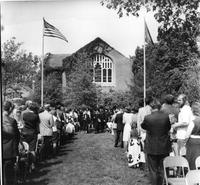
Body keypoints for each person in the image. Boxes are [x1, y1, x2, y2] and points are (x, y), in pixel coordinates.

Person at [141, 99, 171, 185]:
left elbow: (143, 126)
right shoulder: (165, 117)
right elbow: (168, 128)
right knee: (162, 168)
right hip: (163, 146)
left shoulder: (147, 117)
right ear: (160, 107)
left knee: (153, 169)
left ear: (151, 107)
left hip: (151, 146)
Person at [3, 100, 20, 185]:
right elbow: (17, 137)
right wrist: (17, 152)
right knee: (8, 175)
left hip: (5, 150)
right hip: (9, 151)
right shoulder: (12, 121)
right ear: (10, 109)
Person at [21, 102, 40, 170]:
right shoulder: (36, 116)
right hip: (33, 133)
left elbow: (23, 123)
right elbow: (37, 125)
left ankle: (24, 164)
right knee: (32, 150)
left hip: (24, 132)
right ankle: (32, 164)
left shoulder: (24, 114)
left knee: (25, 148)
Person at [185, 102, 200, 169]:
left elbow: (187, 134)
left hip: (192, 142)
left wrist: (185, 141)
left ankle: (192, 174)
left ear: (192, 110)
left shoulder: (193, 121)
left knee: (192, 159)